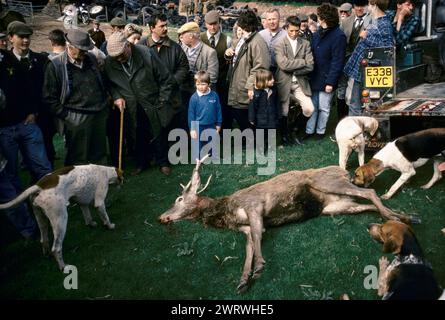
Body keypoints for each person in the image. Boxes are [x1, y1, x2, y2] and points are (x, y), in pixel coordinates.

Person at [103, 32, 174, 176]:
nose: (119, 59)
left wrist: (162, 100)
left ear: (128, 45)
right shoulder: (110, 62)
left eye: (121, 54)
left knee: (158, 132)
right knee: (136, 135)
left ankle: (163, 162)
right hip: (130, 105)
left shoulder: (146, 54)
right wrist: (116, 97)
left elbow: (166, 79)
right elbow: (109, 84)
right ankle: (142, 163)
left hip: (153, 101)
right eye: (115, 57)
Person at [43, 29, 109, 166]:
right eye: (81, 50)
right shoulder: (56, 65)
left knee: (99, 152)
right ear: (69, 46)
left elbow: (101, 81)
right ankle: (78, 185)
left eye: (86, 50)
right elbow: (49, 98)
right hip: (76, 117)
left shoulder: (90, 58)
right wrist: (67, 116)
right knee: (78, 156)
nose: (85, 53)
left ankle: (98, 183)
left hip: (99, 113)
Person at [344, 0, 394, 116]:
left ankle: (355, 130)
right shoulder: (374, 20)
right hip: (361, 69)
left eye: (369, 4)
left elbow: (388, 48)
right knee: (354, 102)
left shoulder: (384, 23)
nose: (367, 7)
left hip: (368, 70)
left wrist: (365, 37)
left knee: (356, 104)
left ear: (375, 5)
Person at [305, 3, 346, 139]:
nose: (318, 18)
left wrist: (330, 82)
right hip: (314, 76)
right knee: (313, 107)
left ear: (324, 18)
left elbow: (337, 61)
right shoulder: (317, 34)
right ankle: (309, 131)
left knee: (324, 107)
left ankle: (320, 132)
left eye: (319, 16)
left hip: (327, 78)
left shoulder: (338, 36)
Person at [225, 10, 270, 131]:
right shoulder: (245, 38)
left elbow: (261, 67)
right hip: (238, 84)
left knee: (245, 115)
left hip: (245, 87)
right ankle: (248, 139)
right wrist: (228, 54)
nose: (240, 29)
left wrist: (249, 85)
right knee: (238, 113)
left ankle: (251, 140)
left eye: (242, 26)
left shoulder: (257, 42)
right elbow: (236, 55)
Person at [274, 15, 314, 145]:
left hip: (300, 83)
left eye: (296, 30)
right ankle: (284, 136)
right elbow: (283, 65)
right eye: (291, 30)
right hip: (283, 83)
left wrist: (294, 68)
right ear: (286, 28)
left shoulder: (305, 43)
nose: (294, 33)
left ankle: (294, 130)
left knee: (309, 109)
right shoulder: (279, 44)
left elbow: (310, 66)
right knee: (284, 111)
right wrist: (302, 61)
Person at [178, 21, 218, 131]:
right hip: (184, 90)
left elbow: (213, 76)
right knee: (185, 114)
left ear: (191, 36)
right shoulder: (182, 48)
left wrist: (199, 83)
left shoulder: (209, 52)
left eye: (183, 35)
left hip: (200, 91)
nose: (180, 37)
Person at [337, 0, 371, 120]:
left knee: (354, 95)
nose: (359, 9)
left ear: (367, 6)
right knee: (341, 91)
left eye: (362, 6)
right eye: (357, 5)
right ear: (353, 7)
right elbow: (339, 42)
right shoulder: (345, 22)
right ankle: (341, 120)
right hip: (344, 61)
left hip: (360, 63)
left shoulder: (372, 21)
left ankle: (355, 119)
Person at [201, 10, 232, 130]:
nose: (213, 27)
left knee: (222, 106)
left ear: (219, 23)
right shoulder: (201, 38)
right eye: (210, 24)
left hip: (222, 80)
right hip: (204, 80)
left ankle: (223, 131)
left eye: (215, 23)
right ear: (205, 24)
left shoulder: (227, 39)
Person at [188, 70, 222, 160]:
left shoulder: (214, 95)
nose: (200, 87)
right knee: (197, 143)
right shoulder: (194, 98)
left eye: (203, 84)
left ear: (208, 84)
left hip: (211, 124)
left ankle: (213, 156)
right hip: (198, 125)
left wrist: (218, 124)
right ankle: (198, 159)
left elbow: (218, 110)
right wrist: (192, 129)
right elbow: (191, 114)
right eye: (198, 84)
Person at [248, 69, 278, 152]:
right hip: (261, 119)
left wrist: (278, 115)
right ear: (263, 81)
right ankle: (260, 148)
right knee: (260, 134)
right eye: (270, 79)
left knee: (271, 133)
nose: (273, 80)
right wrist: (251, 118)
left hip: (272, 118)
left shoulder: (273, 90)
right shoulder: (256, 93)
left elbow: (277, 103)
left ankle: (270, 147)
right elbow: (252, 106)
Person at [259, 8, 286, 73]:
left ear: (279, 19)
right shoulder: (260, 35)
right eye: (269, 19)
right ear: (266, 20)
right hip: (264, 72)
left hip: (281, 72)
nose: (272, 22)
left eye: (274, 19)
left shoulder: (286, 35)